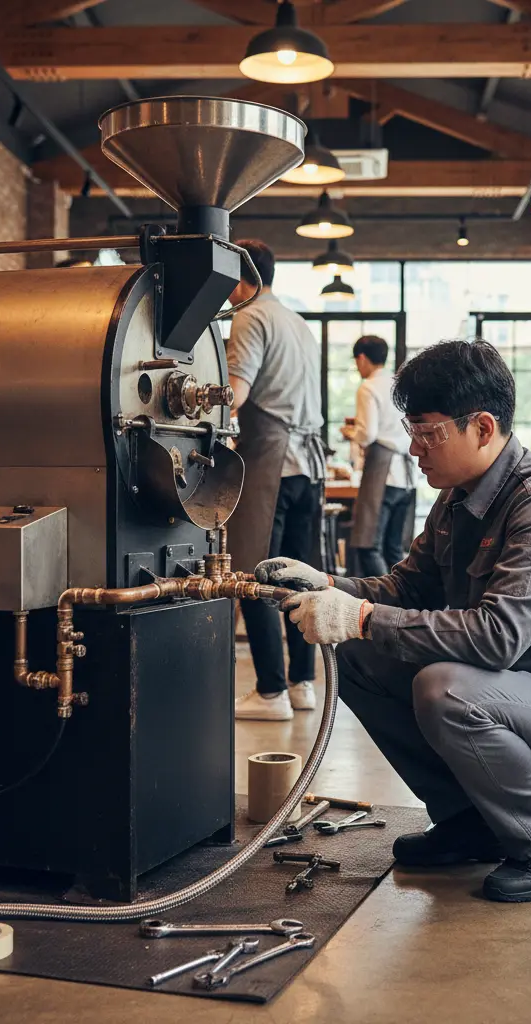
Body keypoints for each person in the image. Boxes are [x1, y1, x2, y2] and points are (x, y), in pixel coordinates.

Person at [255, 340, 531, 903]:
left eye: (427, 433)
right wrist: (328, 586)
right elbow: (402, 590)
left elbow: (497, 637)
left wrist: (360, 615)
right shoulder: (456, 498)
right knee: (359, 651)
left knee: (444, 689)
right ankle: (472, 820)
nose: (413, 448)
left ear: (482, 428)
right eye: (410, 431)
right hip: (514, 696)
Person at [226, 239, 326, 722]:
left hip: (272, 464)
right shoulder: (299, 323)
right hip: (310, 468)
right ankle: (302, 683)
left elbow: (233, 396)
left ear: (239, 275)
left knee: (254, 575)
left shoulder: (250, 317)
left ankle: (270, 692)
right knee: (296, 578)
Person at [340, 335, 416, 578]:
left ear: (362, 358)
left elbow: (367, 434)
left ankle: (388, 600)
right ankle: (403, 602)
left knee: (368, 545)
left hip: (382, 474)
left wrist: (350, 432)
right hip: (405, 475)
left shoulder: (368, 387)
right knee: (394, 548)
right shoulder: (399, 383)